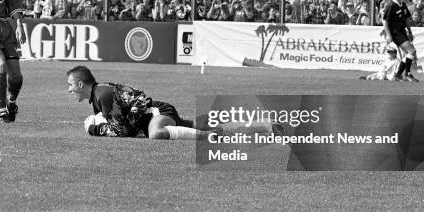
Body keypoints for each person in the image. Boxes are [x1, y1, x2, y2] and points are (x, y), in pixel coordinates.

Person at [66, 66, 276, 139]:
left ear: (81, 84)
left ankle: (209, 138)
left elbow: (123, 130)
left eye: (70, 85)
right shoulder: (98, 95)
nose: (69, 89)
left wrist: (93, 128)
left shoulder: (102, 94)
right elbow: (121, 128)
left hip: (156, 112)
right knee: (204, 125)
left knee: (156, 134)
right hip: (153, 116)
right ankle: (263, 126)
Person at [382, 0, 419, 82]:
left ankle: (398, 75)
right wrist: (389, 35)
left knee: (407, 54)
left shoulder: (402, 4)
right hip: (395, 33)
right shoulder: (391, 5)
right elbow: (384, 21)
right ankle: (407, 74)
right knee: (412, 51)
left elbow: (406, 19)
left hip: (402, 32)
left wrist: (410, 32)